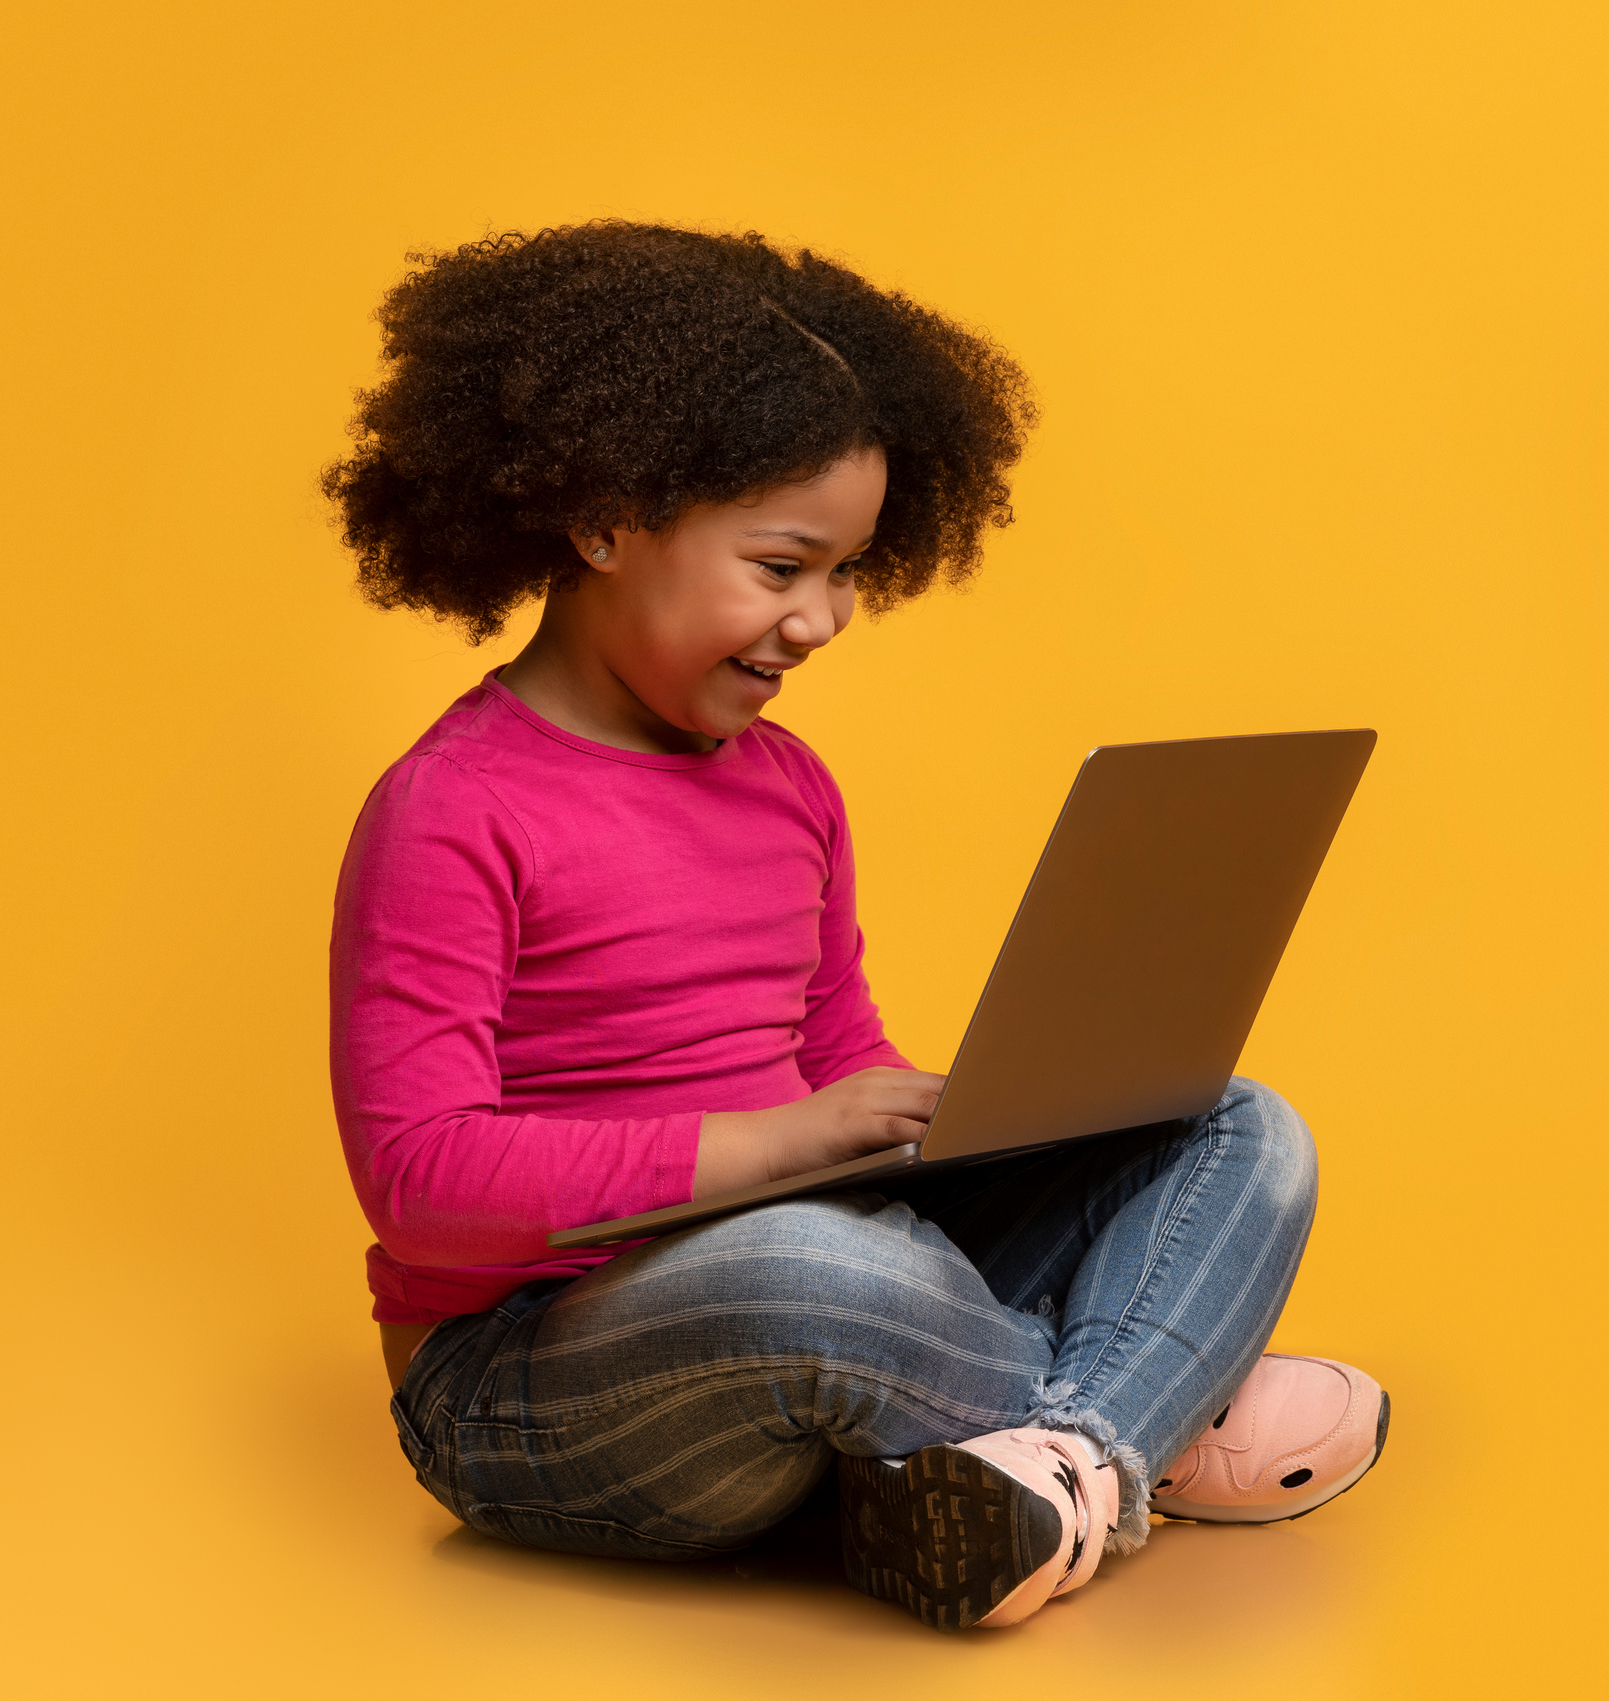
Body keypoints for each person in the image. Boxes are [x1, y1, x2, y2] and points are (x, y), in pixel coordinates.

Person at [322, 222, 1388, 1632]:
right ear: (600, 518)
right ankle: (1151, 1414)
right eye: (780, 567)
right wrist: (790, 1144)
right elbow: (421, 1177)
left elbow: (840, 1062)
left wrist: (969, 1125)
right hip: (537, 1381)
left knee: (1236, 1123)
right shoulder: (452, 808)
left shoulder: (793, 789)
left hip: (831, 1267)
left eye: (846, 575)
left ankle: (1049, 1462)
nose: (820, 620)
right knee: (821, 1265)